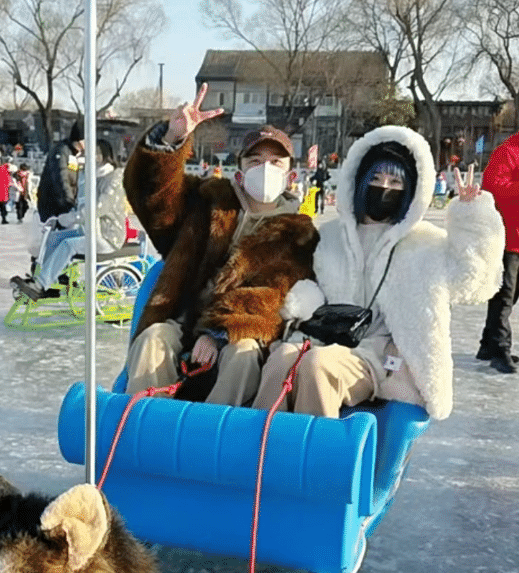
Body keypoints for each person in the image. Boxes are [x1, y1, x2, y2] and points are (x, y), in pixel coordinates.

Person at [250, 124, 505, 421]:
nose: (384, 187)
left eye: (395, 181)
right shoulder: (331, 235)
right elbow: (315, 284)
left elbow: (474, 283)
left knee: (317, 366)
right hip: (324, 337)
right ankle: (260, 450)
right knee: (281, 358)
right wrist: (305, 301)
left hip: (380, 356)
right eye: (376, 177)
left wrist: (472, 220)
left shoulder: (425, 243)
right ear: (359, 181)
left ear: (410, 190)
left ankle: (320, 460)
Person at [122, 83, 319, 406]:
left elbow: (272, 296)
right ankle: (144, 430)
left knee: (241, 355)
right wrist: (172, 139)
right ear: (240, 172)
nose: (265, 169)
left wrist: (216, 332)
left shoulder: (299, 234)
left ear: (290, 176)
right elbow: (152, 199)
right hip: (183, 322)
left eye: (275, 162)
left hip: (241, 334)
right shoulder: (205, 203)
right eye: (255, 160)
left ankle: (214, 442)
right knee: (154, 339)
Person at [36, 139, 128, 289]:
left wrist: (74, 217)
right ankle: (49, 281)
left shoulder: (114, 178)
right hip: (90, 231)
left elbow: (99, 207)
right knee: (54, 238)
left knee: (68, 245)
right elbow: (82, 202)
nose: (93, 157)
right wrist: (64, 217)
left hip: (108, 236)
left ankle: (41, 284)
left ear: (105, 155)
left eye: (96, 153)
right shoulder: (91, 176)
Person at [475, 131, 519, 374]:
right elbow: (493, 187)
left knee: (510, 297)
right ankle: (500, 349)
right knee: (504, 296)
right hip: (506, 237)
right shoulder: (508, 151)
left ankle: (487, 344)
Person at [36, 119, 84, 223]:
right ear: (80, 140)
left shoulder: (77, 154)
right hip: (53, 207)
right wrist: (69, 204)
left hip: (66, 207)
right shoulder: (61, 151)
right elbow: (61, 179)